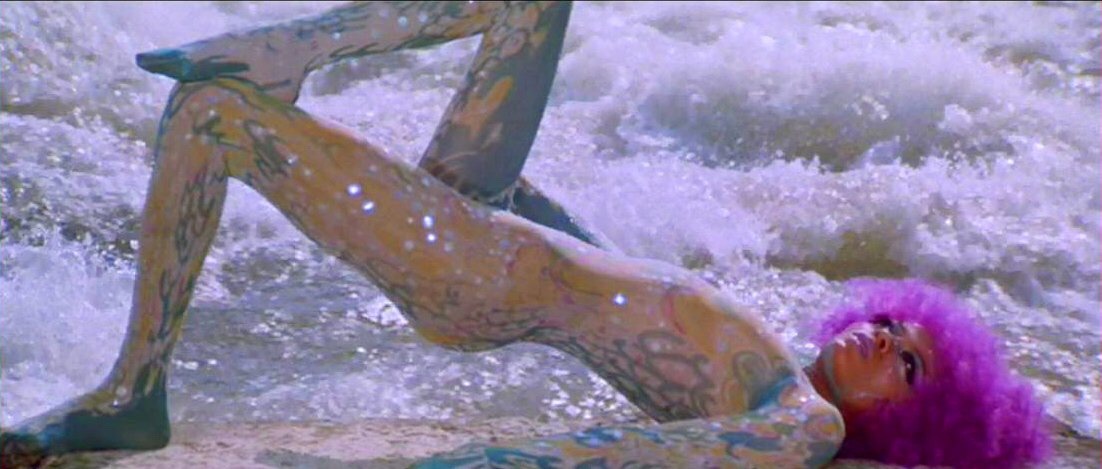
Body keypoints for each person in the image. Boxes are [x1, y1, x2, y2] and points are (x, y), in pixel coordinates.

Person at [0, 2, 1051, 468]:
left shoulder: (800, 427)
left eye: (908, 366)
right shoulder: (776, 364)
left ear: (907, 430)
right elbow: (619, 282)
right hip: (495, 224)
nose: (882, 339)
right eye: (895, 328)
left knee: (209, 113)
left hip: (473, 274)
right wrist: (529, 197)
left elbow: (631, 454)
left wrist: (475, 462)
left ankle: (131, 392)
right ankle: (296, 47)